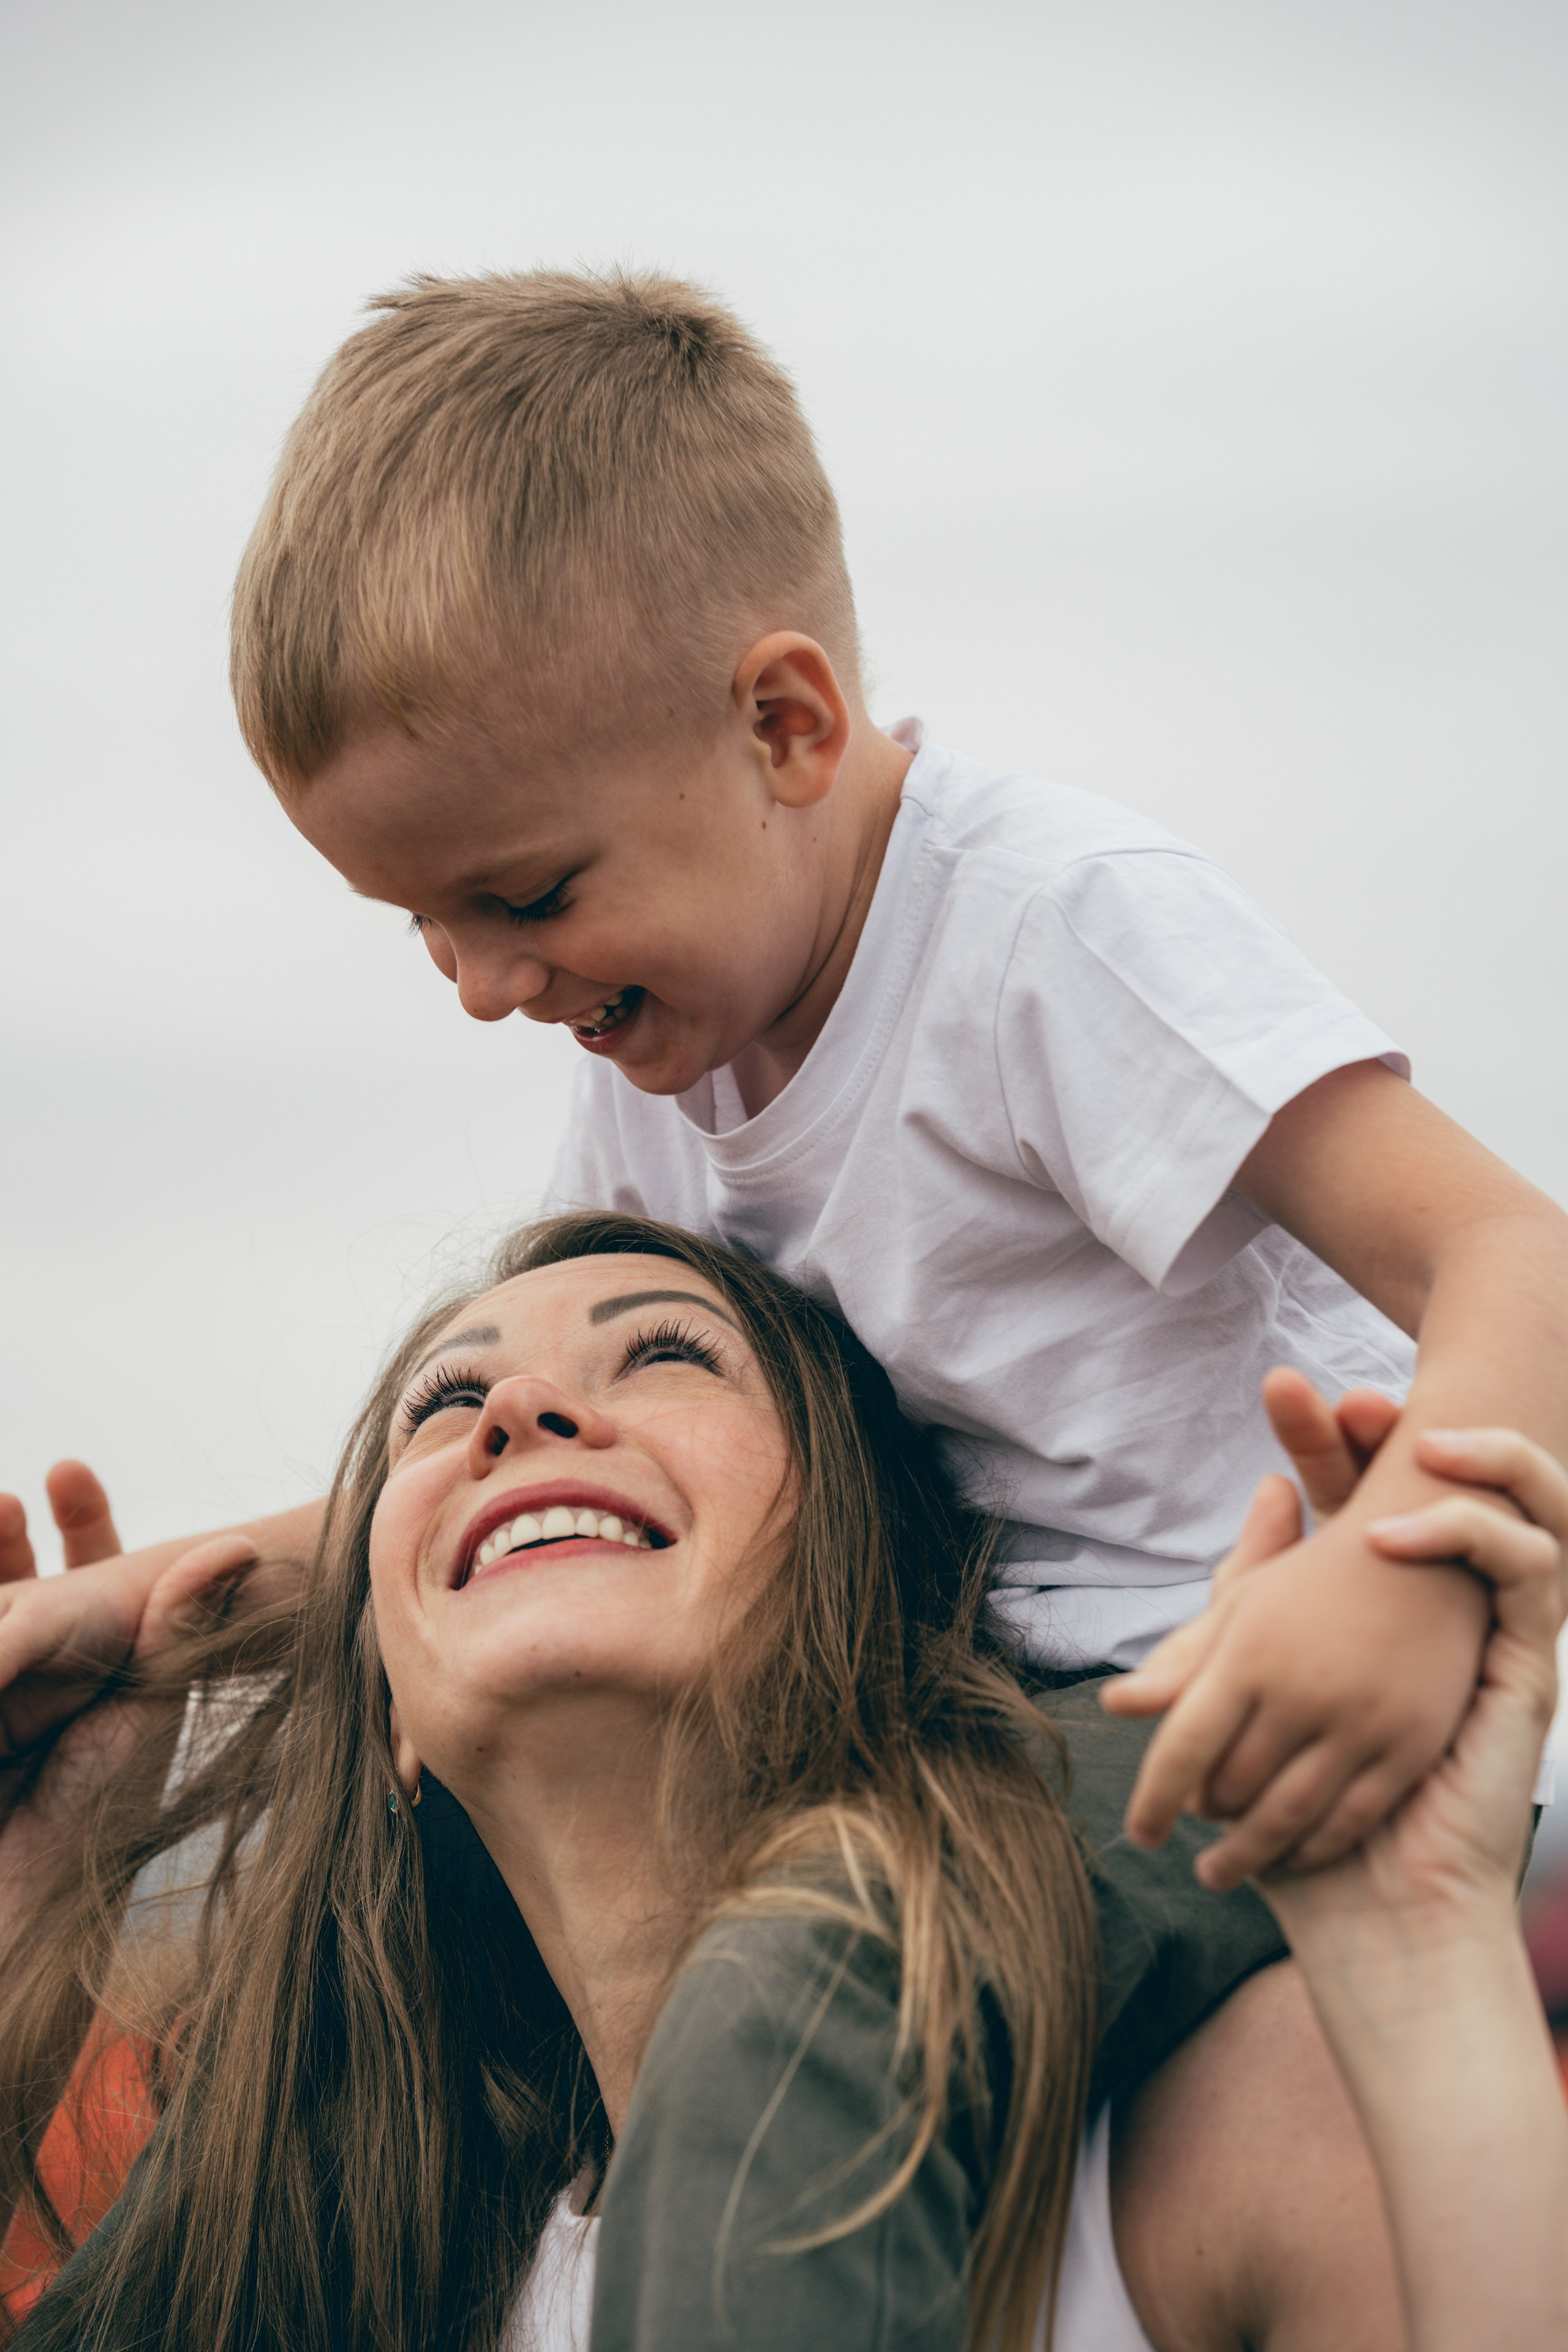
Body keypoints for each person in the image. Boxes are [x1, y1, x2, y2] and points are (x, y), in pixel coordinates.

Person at [2, 266, 1566, 2332]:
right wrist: (152, 1607)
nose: (486, 987)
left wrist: (1400, 1581)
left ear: (785, 724)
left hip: (1224, 1709)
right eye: (425, 928)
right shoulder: (675, 1059)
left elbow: (1508, 1252)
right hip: (960, 1725)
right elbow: (537, 1457)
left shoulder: (1043, 934)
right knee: (335, 2044)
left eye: (527, 895)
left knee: (823, 1965)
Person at [1, 1215, 1563, 2352]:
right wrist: (29, 1909)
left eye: (668, 1355)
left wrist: (1421, 1963)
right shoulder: (371, 2258)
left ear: (865, 1578)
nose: (518, 1416)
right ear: (389, 1710)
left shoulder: (1205, 2122)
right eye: (441, 1406)